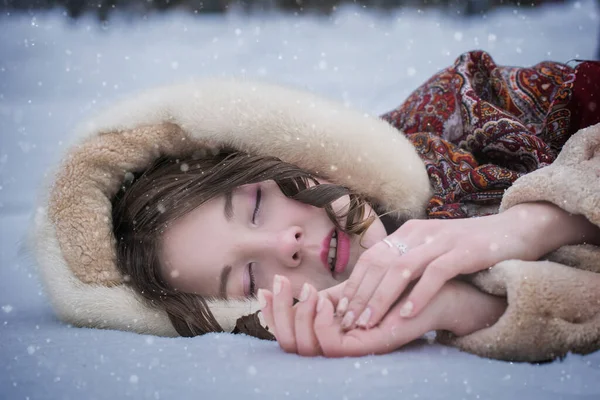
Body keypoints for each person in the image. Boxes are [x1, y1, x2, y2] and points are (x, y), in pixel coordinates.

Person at [32, 51, 600, 362]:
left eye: (256, 209)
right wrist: (453, 309)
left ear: (281, 166)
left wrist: (530, 223)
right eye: (250, 275)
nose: (287, 244)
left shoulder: (459, 111)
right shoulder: (427, 314)